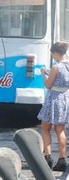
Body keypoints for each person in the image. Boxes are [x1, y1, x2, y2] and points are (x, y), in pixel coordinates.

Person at [38, 41, 69, 172]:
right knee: (60, 130)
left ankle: (47, 157)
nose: (52, 57)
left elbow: (48, 85)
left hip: (54, 99)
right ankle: (62, 159)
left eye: (52, 54)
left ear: (56, 53)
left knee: (45, 128)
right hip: (65, 98)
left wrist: (43, 74)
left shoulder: (56, 67)